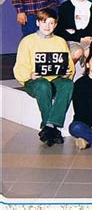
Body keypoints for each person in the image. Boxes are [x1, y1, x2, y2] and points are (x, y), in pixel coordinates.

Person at [13, 9, 74, 146]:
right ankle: (52, 128)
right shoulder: (27, 41)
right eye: (44, 22)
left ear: (56, 25)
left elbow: (68, 64)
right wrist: (30, 74)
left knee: (68, 84)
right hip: (35, 81)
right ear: (37, 22)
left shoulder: (60, 41)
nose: (47, 26)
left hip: (55, 79)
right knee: (43, 85)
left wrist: (66, 73)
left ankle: (49, 126)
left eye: (51, 23)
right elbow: (19, 66)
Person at [56, 0, 92, 64]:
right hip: (70, 41)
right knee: (78, 52)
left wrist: (86, 38)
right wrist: (79, 38)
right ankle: (65, 74)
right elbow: (59, 31)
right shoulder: (65, 6)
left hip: (88, 41)